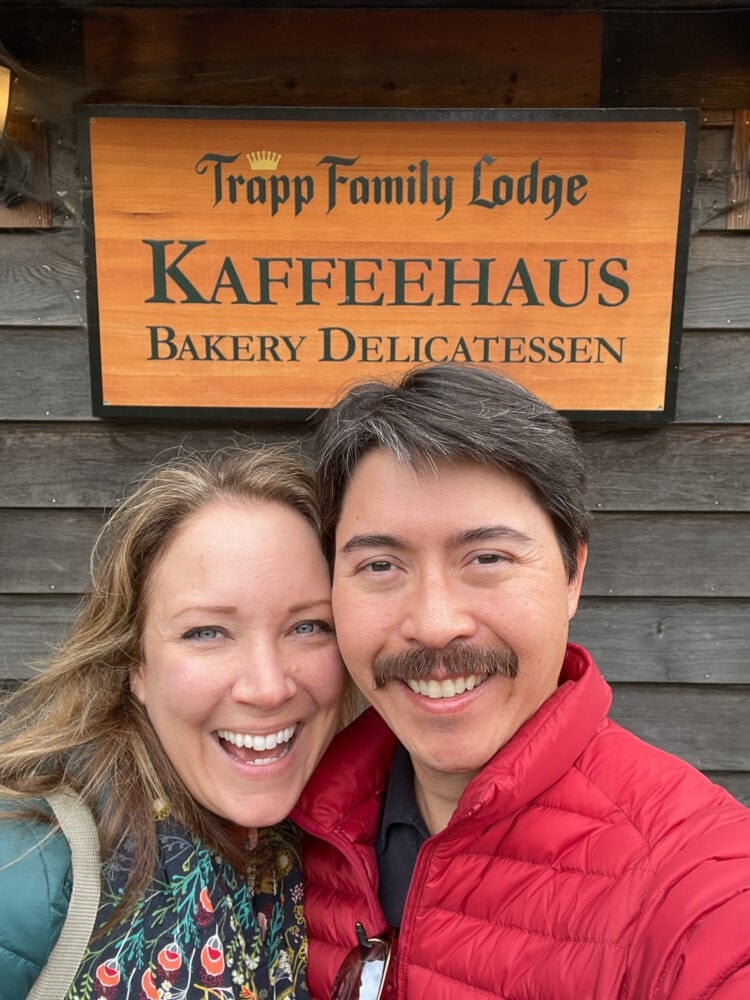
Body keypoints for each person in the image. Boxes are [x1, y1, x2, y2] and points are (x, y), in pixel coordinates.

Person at [293, 363, 750, 999]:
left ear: (572, 575)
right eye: (380, 564)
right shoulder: (292, 827)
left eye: (487, 559)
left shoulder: (703, 884)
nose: (433, 625)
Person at [0, 447, 345, 999]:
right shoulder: (26, 864)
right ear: (135, 663)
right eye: (206, 632)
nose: (268, 685)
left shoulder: (337, 846)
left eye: (308, 626)